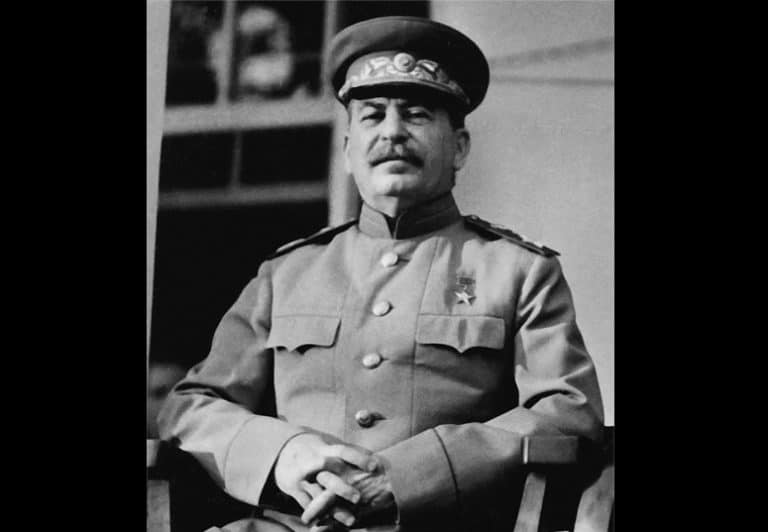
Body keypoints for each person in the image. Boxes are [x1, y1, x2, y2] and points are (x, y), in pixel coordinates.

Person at [158, 15, 604, 532]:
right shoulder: (286, 274)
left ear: (459, 147)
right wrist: (282, 452)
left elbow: (567, 412)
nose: (392, 132)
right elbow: (191, 407)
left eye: (416, 115)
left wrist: (410, 477)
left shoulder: (519, 272)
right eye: (373, 116)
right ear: (348, 150)